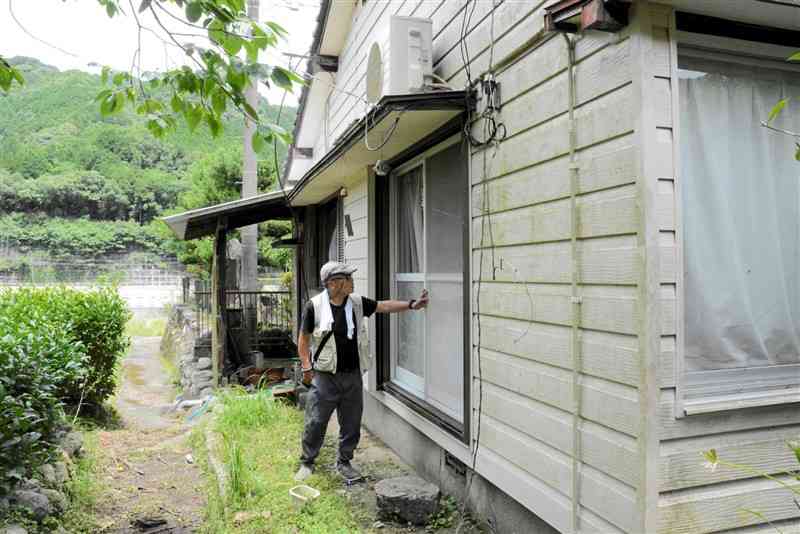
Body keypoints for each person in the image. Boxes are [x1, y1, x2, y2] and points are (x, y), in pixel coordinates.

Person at [294, 260, 429, 482]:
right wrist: (306, 367)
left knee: (351, 423)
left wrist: (412, 304)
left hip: (353, 375)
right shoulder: (314, 306)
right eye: (348, 278)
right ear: (335, 283)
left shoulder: (355, 303)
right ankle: (307, 462)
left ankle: (344, 462)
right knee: (316, 420)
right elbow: (303, 340)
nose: (352, 281)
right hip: (325, 376)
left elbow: (383, 306)